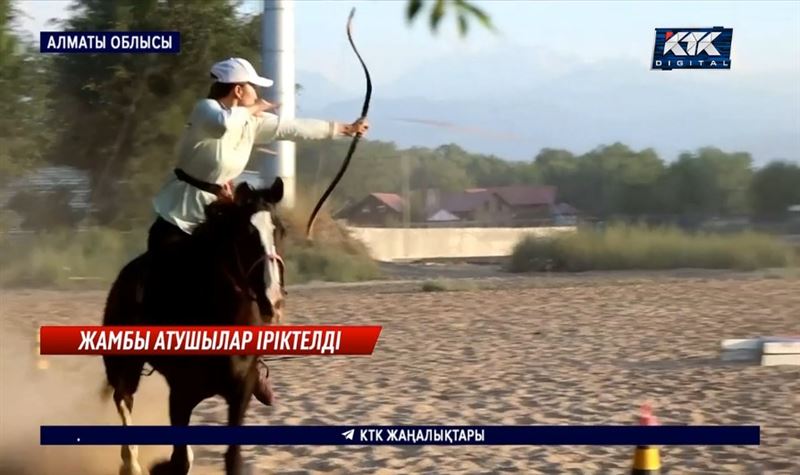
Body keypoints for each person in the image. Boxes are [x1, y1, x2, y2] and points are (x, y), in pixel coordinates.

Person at [147, 57, 369, 407]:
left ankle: (254, 363)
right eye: (252, 88)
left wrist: (343, 129)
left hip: (217, 214)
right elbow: (222, 125)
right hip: (178, 215)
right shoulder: (207, 110)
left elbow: (291, 129)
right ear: (238, 90)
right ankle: (146, 347)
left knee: (245, 278)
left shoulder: (250, 121)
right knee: (161, 276)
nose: (257, 94)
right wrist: (252, 112)